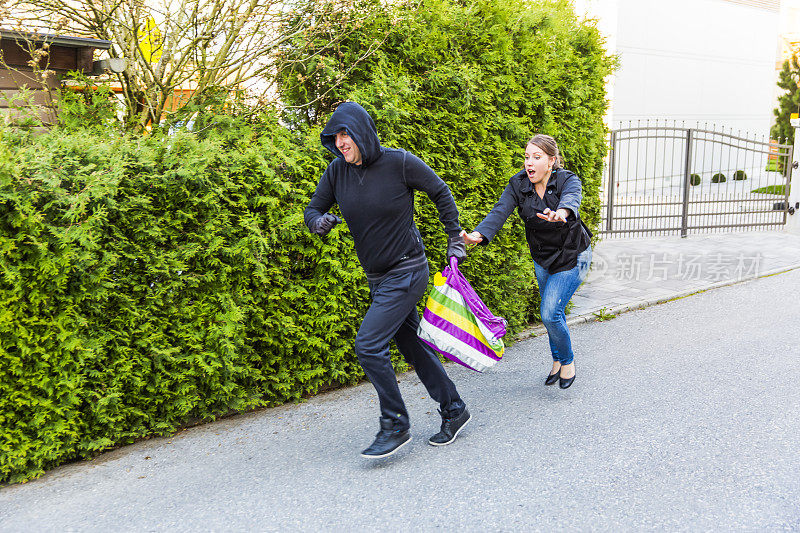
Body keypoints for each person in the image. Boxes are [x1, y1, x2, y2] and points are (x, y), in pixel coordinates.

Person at [304, 102, 471, 458]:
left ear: (361, 132)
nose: (340, 142)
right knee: (412, 345)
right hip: (378, 276)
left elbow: (441, 192)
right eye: (335, 136)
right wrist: (318, 222)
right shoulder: (337, 172)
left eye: (345, 134)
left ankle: (395, 424)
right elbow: (313, 209)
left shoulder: (399, 162)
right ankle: (454, 409)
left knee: (367, 345)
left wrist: (454, 237)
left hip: (408, 269)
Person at [462, 134, 592, 389]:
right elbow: (500, 210)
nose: (529, 163)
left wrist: (561, 213)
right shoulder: (518, 185)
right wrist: (478, 234)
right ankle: (556, 362)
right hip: (543, 257)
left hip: (573, 254)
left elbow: (570, 201)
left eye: (537, 157)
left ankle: (567, 361)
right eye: (526, 157)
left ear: (552, 161)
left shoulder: (568, 180)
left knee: (549, 312)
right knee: (552, 314)